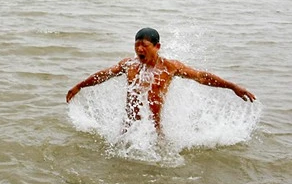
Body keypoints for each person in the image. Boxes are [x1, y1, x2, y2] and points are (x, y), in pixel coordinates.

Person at [65, 28, 256, 133]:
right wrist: (79, 86)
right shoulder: (129, 65)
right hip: (128, 128)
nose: (140, 49)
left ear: (157, 46)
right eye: (137, 45)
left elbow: (201, 77)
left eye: (144, 45)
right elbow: (103, 75)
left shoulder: (169, 67)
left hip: (154, 130)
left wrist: (232, 86)